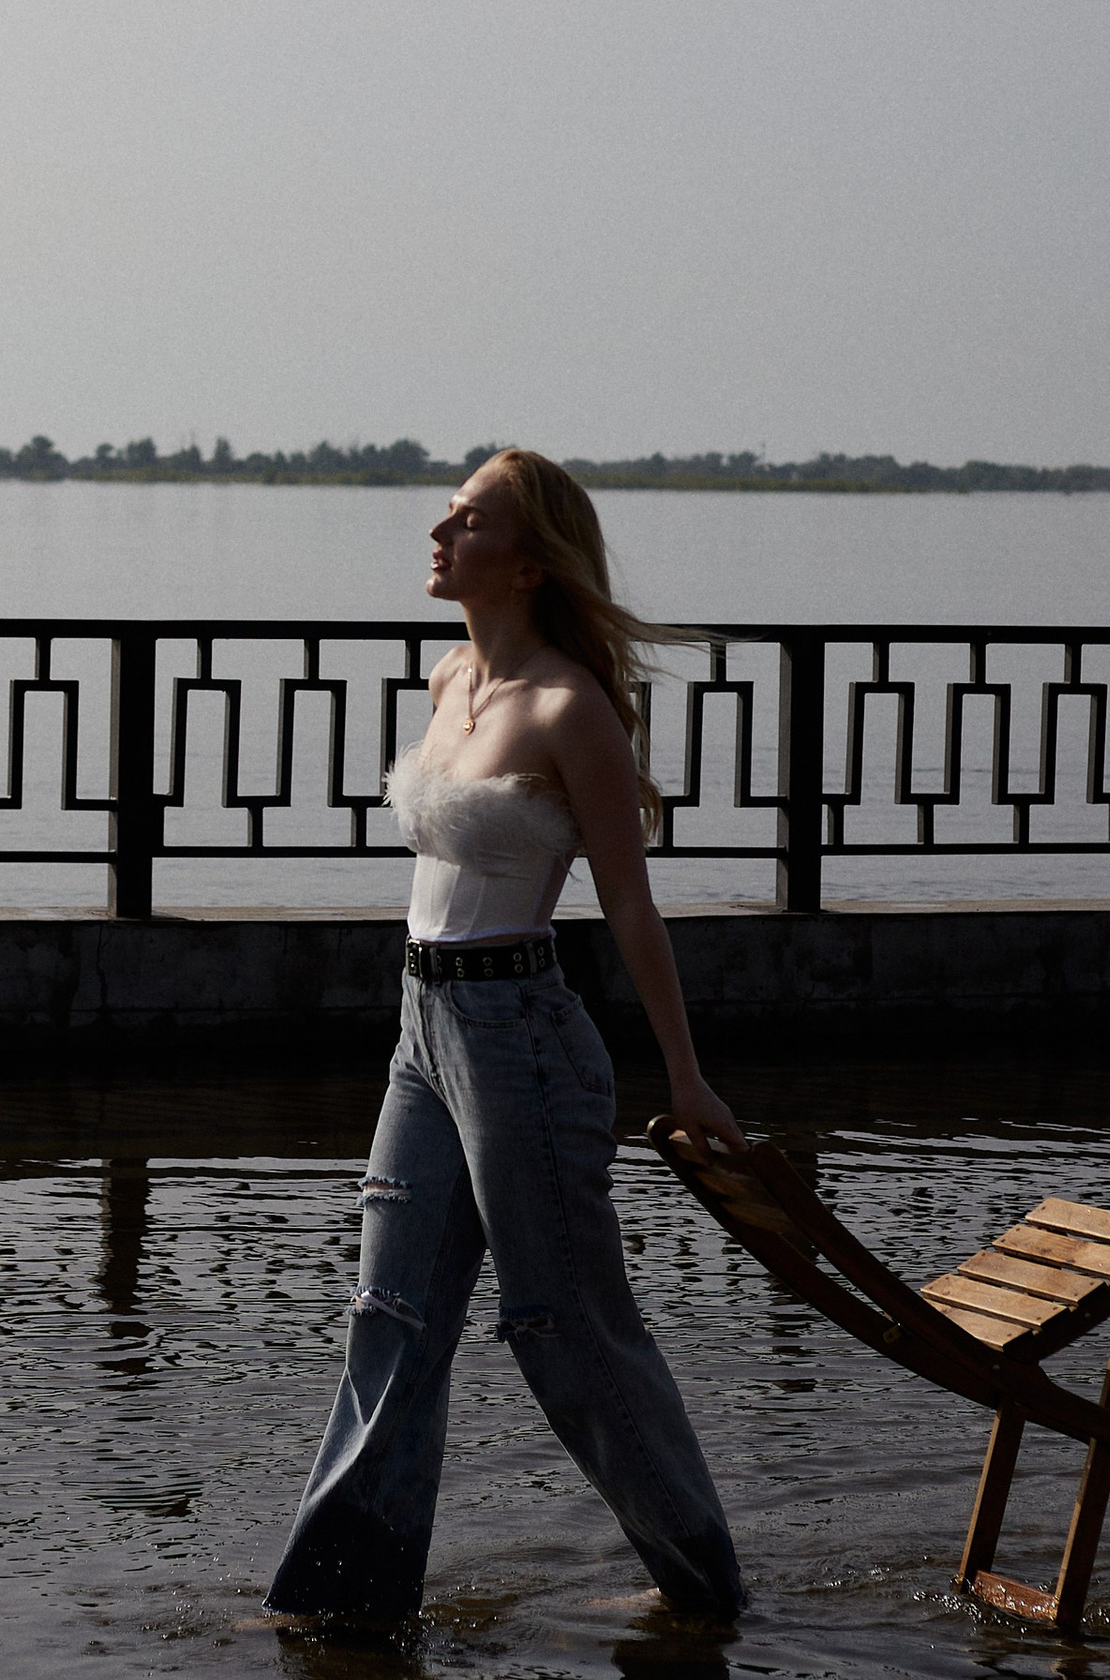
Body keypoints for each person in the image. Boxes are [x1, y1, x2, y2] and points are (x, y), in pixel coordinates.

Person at [263, 447, 749, 1627]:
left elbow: (628, 901)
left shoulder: (568, 708)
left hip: (518, 1027)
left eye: (467, 518)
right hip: (421, 1024)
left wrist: (684, 1074)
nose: (439, 529)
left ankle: (703, 1583)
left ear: (526, 562)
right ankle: (342, 1599)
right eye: (447, 511)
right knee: (388, 1314)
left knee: (562, 1323)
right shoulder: (447, 682)